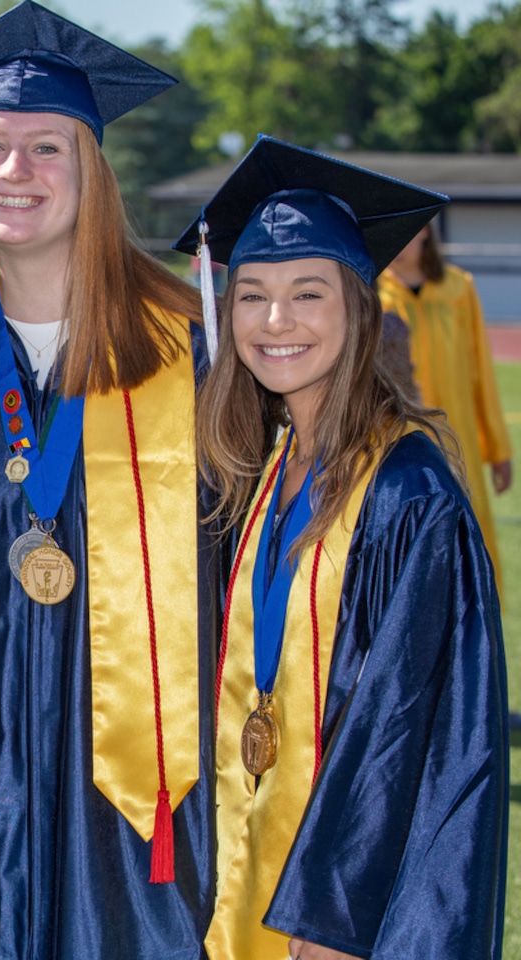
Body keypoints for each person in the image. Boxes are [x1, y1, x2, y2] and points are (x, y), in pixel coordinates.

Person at [0, 3, 218, 956]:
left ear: (93, 174)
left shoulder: (194, 362)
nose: (14, 172)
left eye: (47, 148)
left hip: (136, 802)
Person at [179, 135, 508, 960]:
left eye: (307, 293)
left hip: (341, 914)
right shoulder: (267, 469)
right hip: (247, 868)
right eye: (251, 295)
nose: (274, 321)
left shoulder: (409, 497)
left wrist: (335, 922)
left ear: (362, 308)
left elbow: (405, 732)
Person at [378, 224, 512, 591]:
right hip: (403, 432)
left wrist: (498, 449)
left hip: (460, 432)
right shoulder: (375, 293)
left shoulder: (458, 287)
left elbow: (480, 368)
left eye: (410, 234)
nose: (401, 246)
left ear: (425, 234)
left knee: (471, 519)